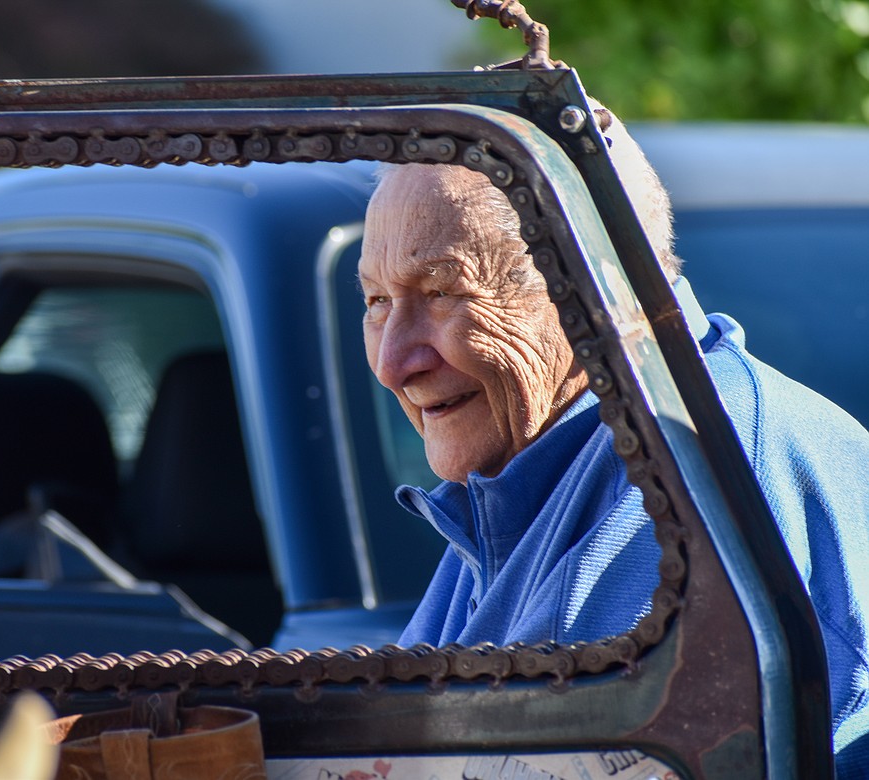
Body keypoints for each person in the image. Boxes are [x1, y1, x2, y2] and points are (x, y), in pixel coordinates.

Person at [358, 108, 869, 773]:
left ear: (604, 287)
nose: (395, 362)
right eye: (375, 302)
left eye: (443, 292)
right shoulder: (525, 481)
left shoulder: (697, 471)